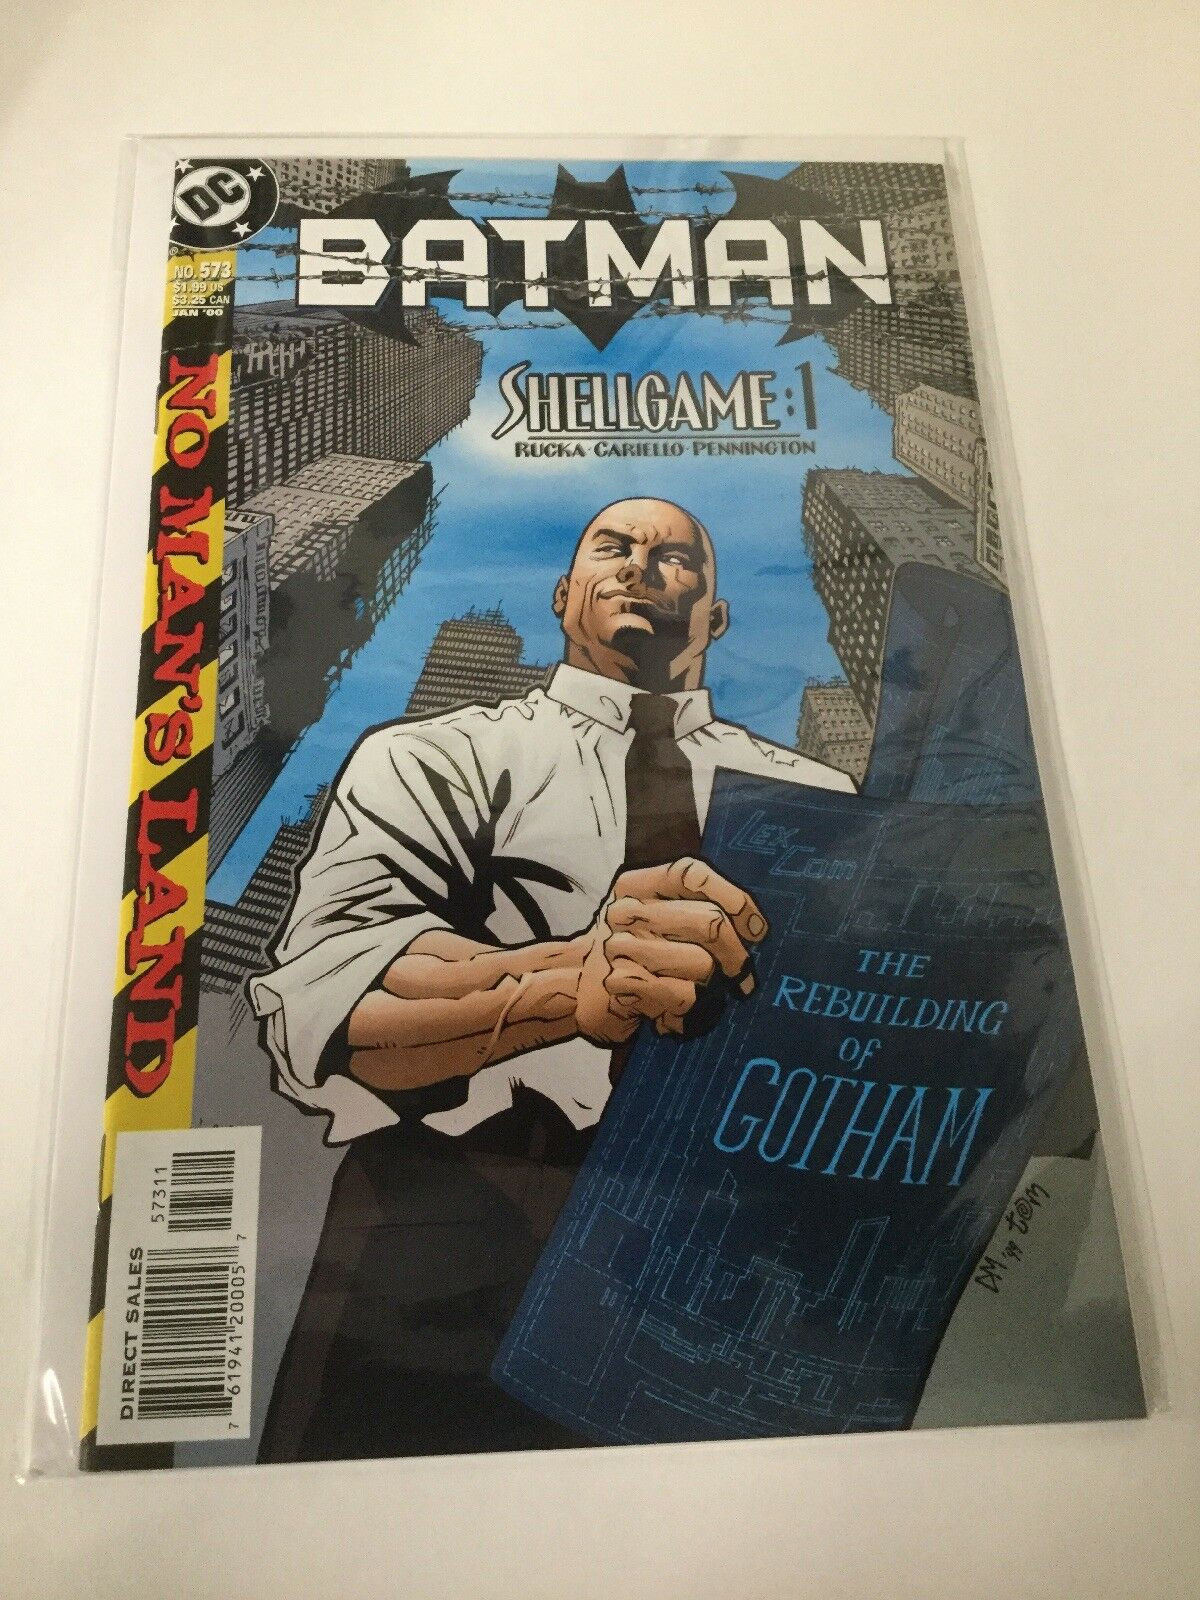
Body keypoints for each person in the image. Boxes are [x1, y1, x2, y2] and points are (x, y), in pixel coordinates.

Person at [250, 496, 855, 1461]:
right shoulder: (431, 759)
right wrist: (577, 984)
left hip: (737, 1241)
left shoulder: (821, 799)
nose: (640, 567)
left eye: (676, 557)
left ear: (717, 616)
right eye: (613, 548)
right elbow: (341, 998)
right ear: (564, 593)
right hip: (452, 1223)